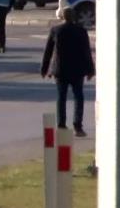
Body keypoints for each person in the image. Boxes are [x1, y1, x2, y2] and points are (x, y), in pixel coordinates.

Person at [40, 7, 95, 137]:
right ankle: (78, 126)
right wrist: (90, 70)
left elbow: (48, 51)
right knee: (78, 97)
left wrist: (44, 68)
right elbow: (86, 52)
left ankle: (61, 125)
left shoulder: (56, 30)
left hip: (60, 70)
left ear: (63, 17)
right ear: (74, 17)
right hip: (77, 70)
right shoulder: (81, 31)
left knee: (61, 98)